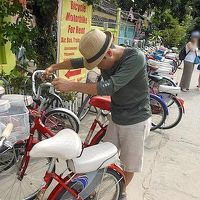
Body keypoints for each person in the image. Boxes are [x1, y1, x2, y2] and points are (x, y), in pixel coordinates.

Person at [44, 29, 151, 200]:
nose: (97, 68)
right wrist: (54, 66)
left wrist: (71, 85)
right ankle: (99, 188)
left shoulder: (135, 58)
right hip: (116, 116)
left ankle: (119, 190)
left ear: (109, 53)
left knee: (128, 165)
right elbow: (78, 62)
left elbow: (108, 87)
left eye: (98, 65)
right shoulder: (104, 56)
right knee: (103, 159)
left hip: (136, 120)